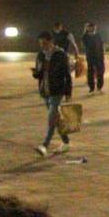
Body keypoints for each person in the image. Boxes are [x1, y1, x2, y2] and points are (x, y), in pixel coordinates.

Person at [31, 30, 79, 158]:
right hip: (45, 90)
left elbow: (67, 75)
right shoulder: (40, 55)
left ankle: (44, 145)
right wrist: (36, 73)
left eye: (45, 43)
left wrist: (68, 92)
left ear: (51, 42)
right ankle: (66, 142)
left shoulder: (60, 55)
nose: (43, 46)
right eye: (41, 44)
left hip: (57, 90)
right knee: (56, 119)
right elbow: (40, 74)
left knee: (52, 116)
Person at [81, 21, 107, 93]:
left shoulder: (98, 35)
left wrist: (103, 54)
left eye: (94, 27)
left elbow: (102, 44)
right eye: (91, 27)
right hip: (90, 57)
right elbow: (84, 45)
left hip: (99, 56)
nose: (93, 29)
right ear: (88, 28)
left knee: (100, 72)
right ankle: (91, 87)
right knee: (90, 72)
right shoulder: (85, 36)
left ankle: (99, 87)